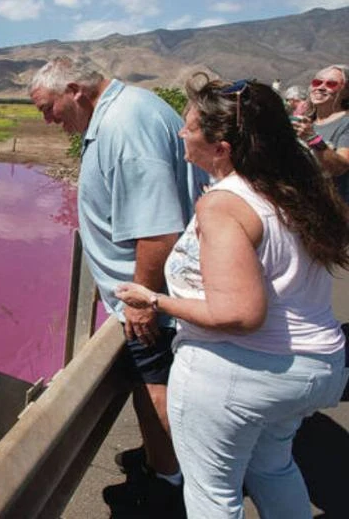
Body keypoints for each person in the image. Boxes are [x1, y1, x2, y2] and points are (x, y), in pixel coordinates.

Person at [116, 75, 349, 518]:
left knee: (213, 495)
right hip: (313, 366)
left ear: (220, 148)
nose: (182, 134)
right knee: (273, 468)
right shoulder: (293, 187)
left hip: (240, 372)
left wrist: (153, 299)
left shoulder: (224, 204)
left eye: (189, 128)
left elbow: (239, 314)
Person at [30, 57, 206, 514]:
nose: (48, 121)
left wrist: (142, 301)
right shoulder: (121, 113)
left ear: (75, 91)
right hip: (145, 294)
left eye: (48, 108)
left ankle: (176, 488)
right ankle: (162, 466)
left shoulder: (124, 127)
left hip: (151, 298)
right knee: (151, 385)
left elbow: (158, 230)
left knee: (158, 389)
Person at [292, 65, 349, 203]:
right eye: (317, 82)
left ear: (346, 92)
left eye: (331, 84)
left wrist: (312, 139)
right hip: (303, 205)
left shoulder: (345, 124)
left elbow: (340, 168)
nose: (321, 87)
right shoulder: (304, 122)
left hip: (336, 208)